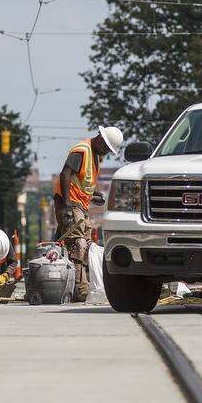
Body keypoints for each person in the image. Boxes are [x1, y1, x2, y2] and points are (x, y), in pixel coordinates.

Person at [53, 125, 123, 302]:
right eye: (106, 146)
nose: (106, 151)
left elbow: (83, 183)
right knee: (79, 244)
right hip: (70, 202)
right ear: (99, 137)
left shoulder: (95, 157)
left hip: (81, 205)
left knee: (87, 246)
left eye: (109, 149)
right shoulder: (82, 150)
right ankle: (79, 290)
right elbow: (65, 175)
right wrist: (68, 206)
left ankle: (84, 285)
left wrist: (96, 195)